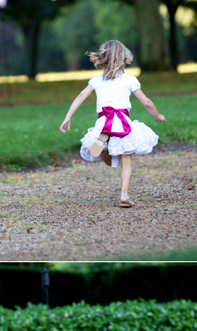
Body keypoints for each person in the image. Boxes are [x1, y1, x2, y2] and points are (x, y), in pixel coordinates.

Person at [59, 40, 166, 208]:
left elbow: (81, 95)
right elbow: (146, 102)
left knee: (110, 160)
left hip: (104, 124)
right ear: (124, 58)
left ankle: (103, 146)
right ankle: (124, 195)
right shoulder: (130, 80)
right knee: (126, 158)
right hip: (122, 124)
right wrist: (158, 116)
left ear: (103, 58)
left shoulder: (97, 80)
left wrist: (68, 116)